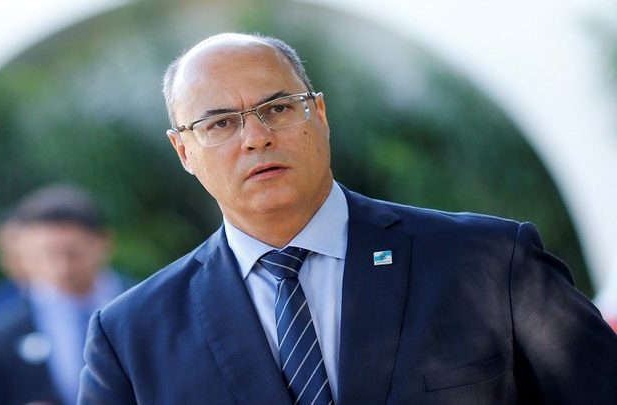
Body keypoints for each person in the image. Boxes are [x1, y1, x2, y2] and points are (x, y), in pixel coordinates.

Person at [78, 33, 617, 404]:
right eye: (220, 123)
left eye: (277, 108)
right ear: (184, 151)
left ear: (319, 113)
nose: (256, 137)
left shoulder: (492, 263)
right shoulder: (130, 336)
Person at [0, 184, 131, 405]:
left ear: (103, 243)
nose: (62, 269)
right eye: (47, 255)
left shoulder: (148, 304)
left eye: (72, 254)